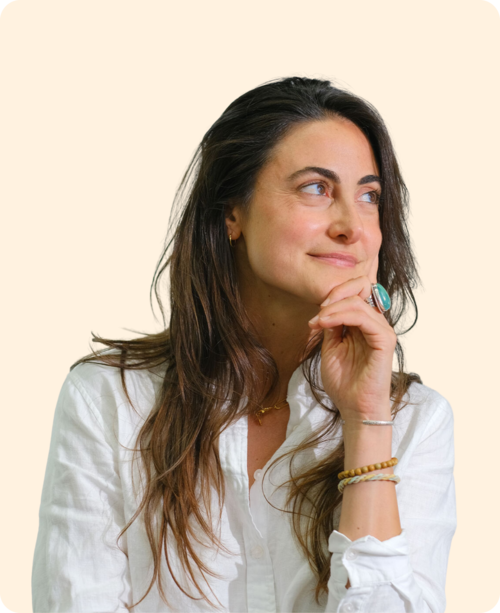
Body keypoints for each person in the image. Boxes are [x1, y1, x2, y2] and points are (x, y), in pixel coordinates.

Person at [32, 76, 456, 613]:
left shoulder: (415, 422)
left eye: (369, 196)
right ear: (233, 211)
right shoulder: (109, 400)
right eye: (316, 188)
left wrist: (367, 421)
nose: (353, 225)